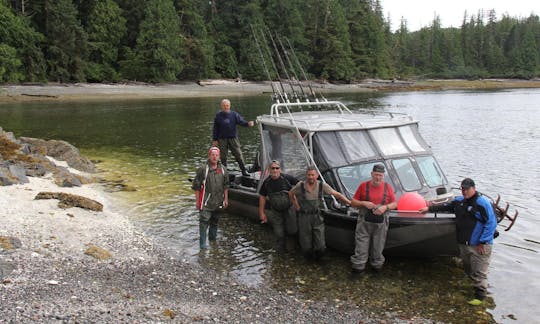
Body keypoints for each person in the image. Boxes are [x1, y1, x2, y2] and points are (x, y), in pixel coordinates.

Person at [419, 178, 497, 305]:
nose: (464, 191)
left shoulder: (482, 203)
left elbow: (491, 223)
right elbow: (446, 206)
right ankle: (476, 287)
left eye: (467, 189)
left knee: (479, 272)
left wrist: (483, 241)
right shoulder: (459, 201)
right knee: (468, 269)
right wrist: (429, 209)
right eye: (462, 189)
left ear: (474, 188)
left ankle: (480, 297)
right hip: (464, 244)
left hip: (479, 246)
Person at [289, 166, 351, 259]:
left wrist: (350, 203)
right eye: (309, 175)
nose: (310, 177)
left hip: (317, 217)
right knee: (305, 243)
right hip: (304, 217)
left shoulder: (322, 185)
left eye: (313, 175)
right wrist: (296, 206)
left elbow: (337, 194)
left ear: (317, 175)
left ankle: (319, 259)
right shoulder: (300, 185)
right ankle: (308, 259)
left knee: (320, 245)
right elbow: (291, 194)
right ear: (306, 175)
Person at [350, 164, 397, 274]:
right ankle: (358, 267)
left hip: (381, 223)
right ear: (371, 174)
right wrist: (363, 203)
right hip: (364, 223)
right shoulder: (363, 186)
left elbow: (394, 204)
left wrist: (385, 207)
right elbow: (353, 203)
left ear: (383, 176)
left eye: (380, 175)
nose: (378, 178)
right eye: (376, 175)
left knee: (378, 247)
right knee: (361, 246)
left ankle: (377, 267)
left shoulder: (388, 187)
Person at [191, 147, 229, 249]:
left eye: (216, 155)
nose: (214, 157)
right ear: (209, 156)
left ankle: (213, 243)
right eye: (212, 155)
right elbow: (196, 187)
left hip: (218, 203)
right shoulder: (203, 169)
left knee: (215, 222)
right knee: (203, 223)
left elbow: (226, 186)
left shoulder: (223, 170)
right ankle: (202, 247)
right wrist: (198, 202)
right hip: (206, 203)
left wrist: (226, 199)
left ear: (219, 157)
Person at [258, 160, 298, 252]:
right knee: (279, 233)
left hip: (289, 208)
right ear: (269, 170)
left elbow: (300, 184)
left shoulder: (287, 178)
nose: (275, 170)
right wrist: (261, 213)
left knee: (292, 230)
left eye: (277, 168)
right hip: (276, 210)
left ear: (280, 169)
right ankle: (280, 251)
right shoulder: (266, 182)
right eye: (273, 168)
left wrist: (298, 201)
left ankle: (291, 248)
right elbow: (262, 197)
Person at [212, 98, 254, 176]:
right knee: (223, 157)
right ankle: (224, 172)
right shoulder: (218, 116)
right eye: (224, 106)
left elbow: (241, 122)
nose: (225, 107)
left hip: (233, 138)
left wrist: (248, 124)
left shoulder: (234, 114)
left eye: (227, 105)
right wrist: (215, 139)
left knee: (238, 155)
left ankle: (244, 171)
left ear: (229, 106)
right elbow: (215, 128)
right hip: (222, 139)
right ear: (221, 106)